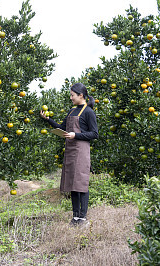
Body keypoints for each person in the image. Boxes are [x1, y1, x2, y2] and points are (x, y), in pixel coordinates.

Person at [40, 83, 98, 226]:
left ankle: (83, 217)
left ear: (81, 95)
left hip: (81, 150)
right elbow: (62, 127)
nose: (70, 97)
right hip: (71, 150)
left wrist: (75, 135)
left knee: (81, 183)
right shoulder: (72, 111)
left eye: (72, 95)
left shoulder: (88, 112)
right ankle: (75, 217)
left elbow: (94, 134)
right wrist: (48, 120)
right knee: (72, 183)